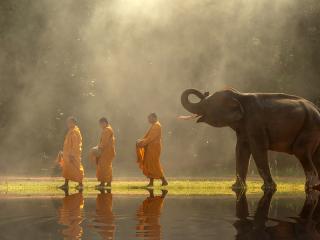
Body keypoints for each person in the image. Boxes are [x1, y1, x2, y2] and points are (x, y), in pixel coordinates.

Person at [136, 113, 168, 187]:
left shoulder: (157, 126)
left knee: (154, 164)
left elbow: (150, 138)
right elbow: (148, 137)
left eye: (149, 118)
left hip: (154, 148)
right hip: (151, 147)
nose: (148, 120)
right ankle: (151, 183)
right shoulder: (154, 125)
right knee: (150, 165)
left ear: (154, 118)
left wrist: (142, 142)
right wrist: (141, 140)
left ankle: (164, 180)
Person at [57, 117, 84, 190]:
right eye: (68, 122)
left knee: (76, 168)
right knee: (66, 168)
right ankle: (66, 184)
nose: (68, 124)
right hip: (68, 153)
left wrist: (72, 154)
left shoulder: (75, 131)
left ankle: (81, 184)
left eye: (70, 122)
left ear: (74, 123)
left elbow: (76, 144)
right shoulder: (70, 131)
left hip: (73, 154)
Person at [90, 117, 116, 189]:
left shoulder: (107, 130)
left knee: (103, 167)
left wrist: (97, 148)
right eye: (100, 124)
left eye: (101, 124)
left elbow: (104, 142)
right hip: (107, 151)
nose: (100, 125)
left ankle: (103, 183)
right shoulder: (107, 129)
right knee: (106, 167)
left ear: (105, 122)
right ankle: (107, 183)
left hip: (106, 151)